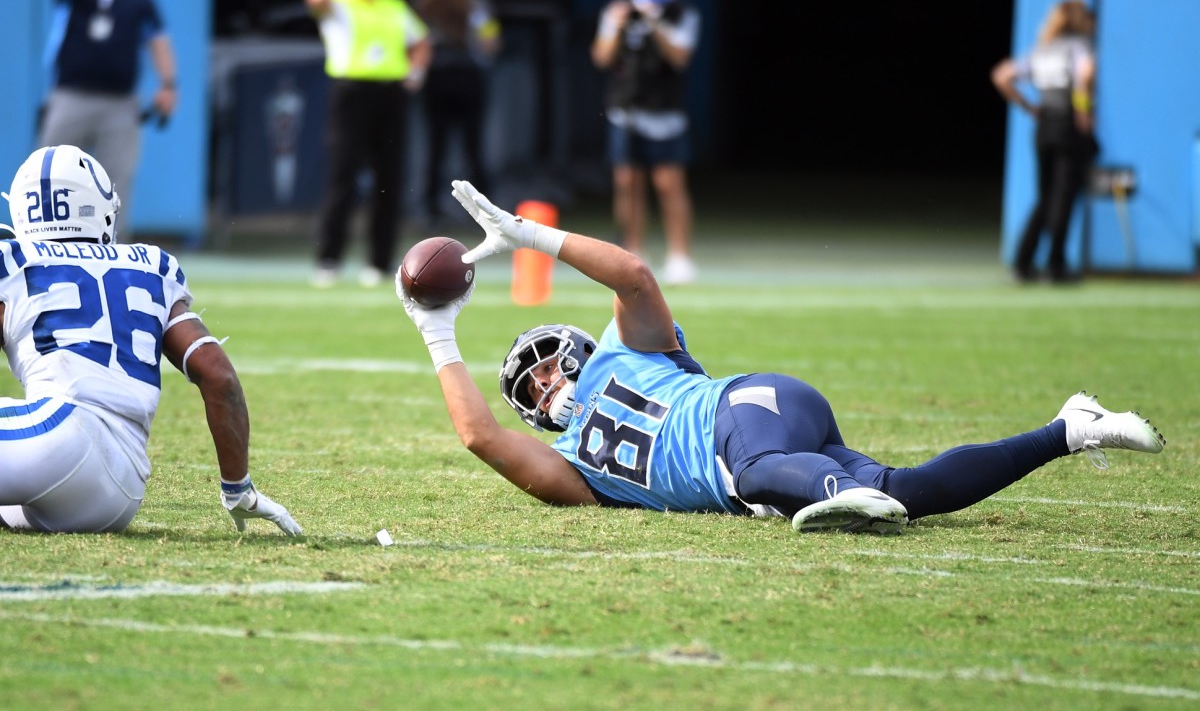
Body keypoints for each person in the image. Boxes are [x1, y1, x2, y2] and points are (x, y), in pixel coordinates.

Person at [396, 180, 1167, 533]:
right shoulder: (572, 469)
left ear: (580, 348)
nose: (551, 382)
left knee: (755, 476)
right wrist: (437, 329)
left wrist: (529, 234)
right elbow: (479, 436)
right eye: (533, 385)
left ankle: (832, 492)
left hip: (754, 410)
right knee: (911, 490)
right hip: (771, 457)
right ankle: (1071, 428)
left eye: (552, 361)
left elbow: (633, 273)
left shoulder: (626, 352)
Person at [0, 145, 300, 536]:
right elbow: (218, 377)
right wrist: (237, 487)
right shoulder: (152, 265)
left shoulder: (14, 260)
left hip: (60, 442)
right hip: (118, 495)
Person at [305, 0, 433, 288]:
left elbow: (421, 40)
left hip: (390, 93)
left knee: (389, 177)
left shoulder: (394, 5)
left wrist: (416, 72)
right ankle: (329, 259)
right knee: (342, 175)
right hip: (351, 91)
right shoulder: (340, 0)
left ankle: (379, 261)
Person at [38, 0, 178, 242]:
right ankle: (41, 244)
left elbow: (158, 39)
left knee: (117, 184)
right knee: (49, 174)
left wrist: (168, 84)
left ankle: (113, 250)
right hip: (70, 96)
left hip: (120, 103)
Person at [591, 0, 701, 286]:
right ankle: (633, 252)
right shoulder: (618, 9)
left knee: (668, 183)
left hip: (665, 113)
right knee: (627, 182)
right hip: (626, 111)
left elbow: (680, 57)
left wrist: (654, 24)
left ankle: (680, 255)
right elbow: (601, 56)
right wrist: (621, 24)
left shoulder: (682, 12)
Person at [992, 0, 1098, 284]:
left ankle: (1023, 263)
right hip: (1068, 123)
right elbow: (1085, 75)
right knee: (1064, 197)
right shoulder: (1078, 47)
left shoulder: (1043, 50)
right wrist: (1083, 110)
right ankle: (1056, 266)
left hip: (1044, 125)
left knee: (1045, 196)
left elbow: (1002, 76)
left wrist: (1028, 106)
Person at [413, 0, 502, 230]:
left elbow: (414, 45)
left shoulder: (423, 5)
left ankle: (430, 210)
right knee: (473, 148)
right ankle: (486, 213)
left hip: (436, 80)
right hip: (467, 78)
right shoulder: (477, 4)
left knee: (435, 149)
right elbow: (492, 44)